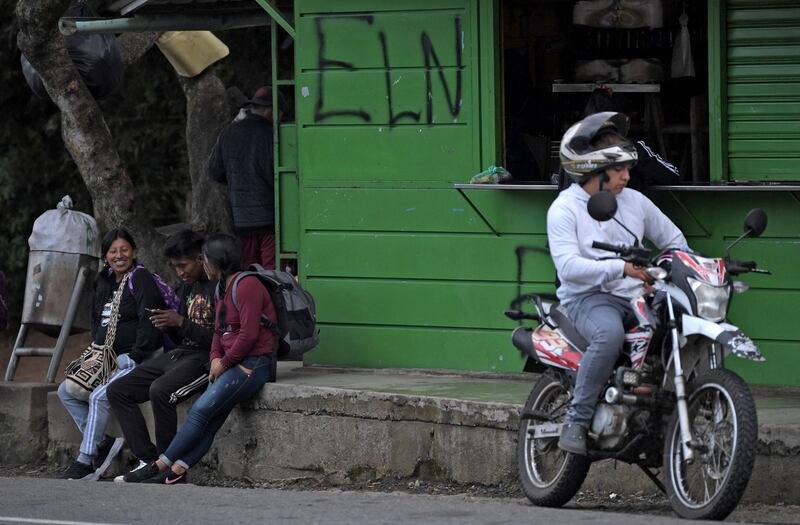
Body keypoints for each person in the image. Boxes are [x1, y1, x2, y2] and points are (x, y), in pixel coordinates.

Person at [547, 112, 689, 456]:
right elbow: (568, 267)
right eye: (619, 169)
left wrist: (680, 270)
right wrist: (621, 268)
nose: (627, 176)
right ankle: (576, 422)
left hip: (637, 295)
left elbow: (675, 241)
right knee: (608, 334)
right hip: (588, 299)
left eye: (628, 168)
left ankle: (659, 414)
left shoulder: (635, 202)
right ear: (594, 170)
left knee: (674, 327)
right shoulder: (564, 209)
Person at [139, 234, 275, 484]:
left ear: (219, 261)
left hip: (255, 363)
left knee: (201, 410)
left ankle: (160, 465)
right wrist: (215, 357)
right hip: (233, 361)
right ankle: (177, 472)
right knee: (211, 420)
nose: (203, 265)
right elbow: (218, 330)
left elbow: (249, 335)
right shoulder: (221, 287)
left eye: (206, 260)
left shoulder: (248, 285)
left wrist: (224, 362)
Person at [107, 230, 217, 482]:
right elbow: (182, 335)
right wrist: (169, 325)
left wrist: (180, 323)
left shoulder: (218, 287)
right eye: (175, 267)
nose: (179, 272)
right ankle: (148, 459)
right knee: (118, 390)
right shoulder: (187, 287)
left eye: (183, 265)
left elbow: (220, 339)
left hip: (206, 357)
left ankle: (166, 466)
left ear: (201, 258)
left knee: (160, 391)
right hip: (182, 352)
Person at [58, 229, 165, 480]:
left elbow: (150, 322)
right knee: (65, 391)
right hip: (106, 359)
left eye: (124, 250)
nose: (119, 256)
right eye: (113, 251)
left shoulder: (140, 278)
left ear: (134, 251)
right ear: (105, 256)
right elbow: (96, 322)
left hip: (137, 358)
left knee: (98, 397)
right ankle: (102, 443)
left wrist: (136, 355)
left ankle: (86, 461)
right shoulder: (104, 281)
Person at [207, 85, 285, 269]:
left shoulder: (228, 132)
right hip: (271, 223)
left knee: (250, 275)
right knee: (275, 278)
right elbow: (277, 177)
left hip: (242, 223)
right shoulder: (271, 135)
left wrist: (237, 178)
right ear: (271, 110)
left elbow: (214, 171)